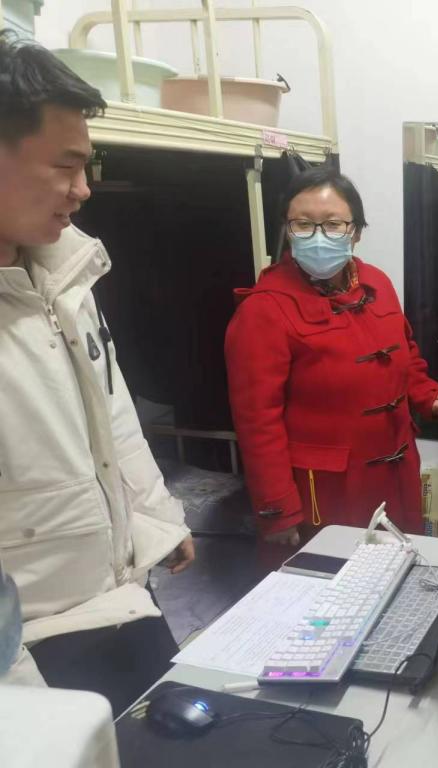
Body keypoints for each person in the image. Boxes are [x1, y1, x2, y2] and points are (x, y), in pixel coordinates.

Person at [0, 31, 194, 713]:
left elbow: (110, 417)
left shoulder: (64, 275)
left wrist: (159, 520)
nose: (84, 190)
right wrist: (32, 721)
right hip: (32, 647)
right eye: (66, 166)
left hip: (117, 601)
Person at [225, 167, 438, 546]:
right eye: (303, 224)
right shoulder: (262, 311)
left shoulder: (376, 283)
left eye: (333, 224)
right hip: (325, 493)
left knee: (399, 571)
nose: (318, 236)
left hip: (396, 477)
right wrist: (277, 510)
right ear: (287, 230)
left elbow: (404, 353)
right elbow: (257, 423)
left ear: (356, 232)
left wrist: (427, 395)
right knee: (334, 578)